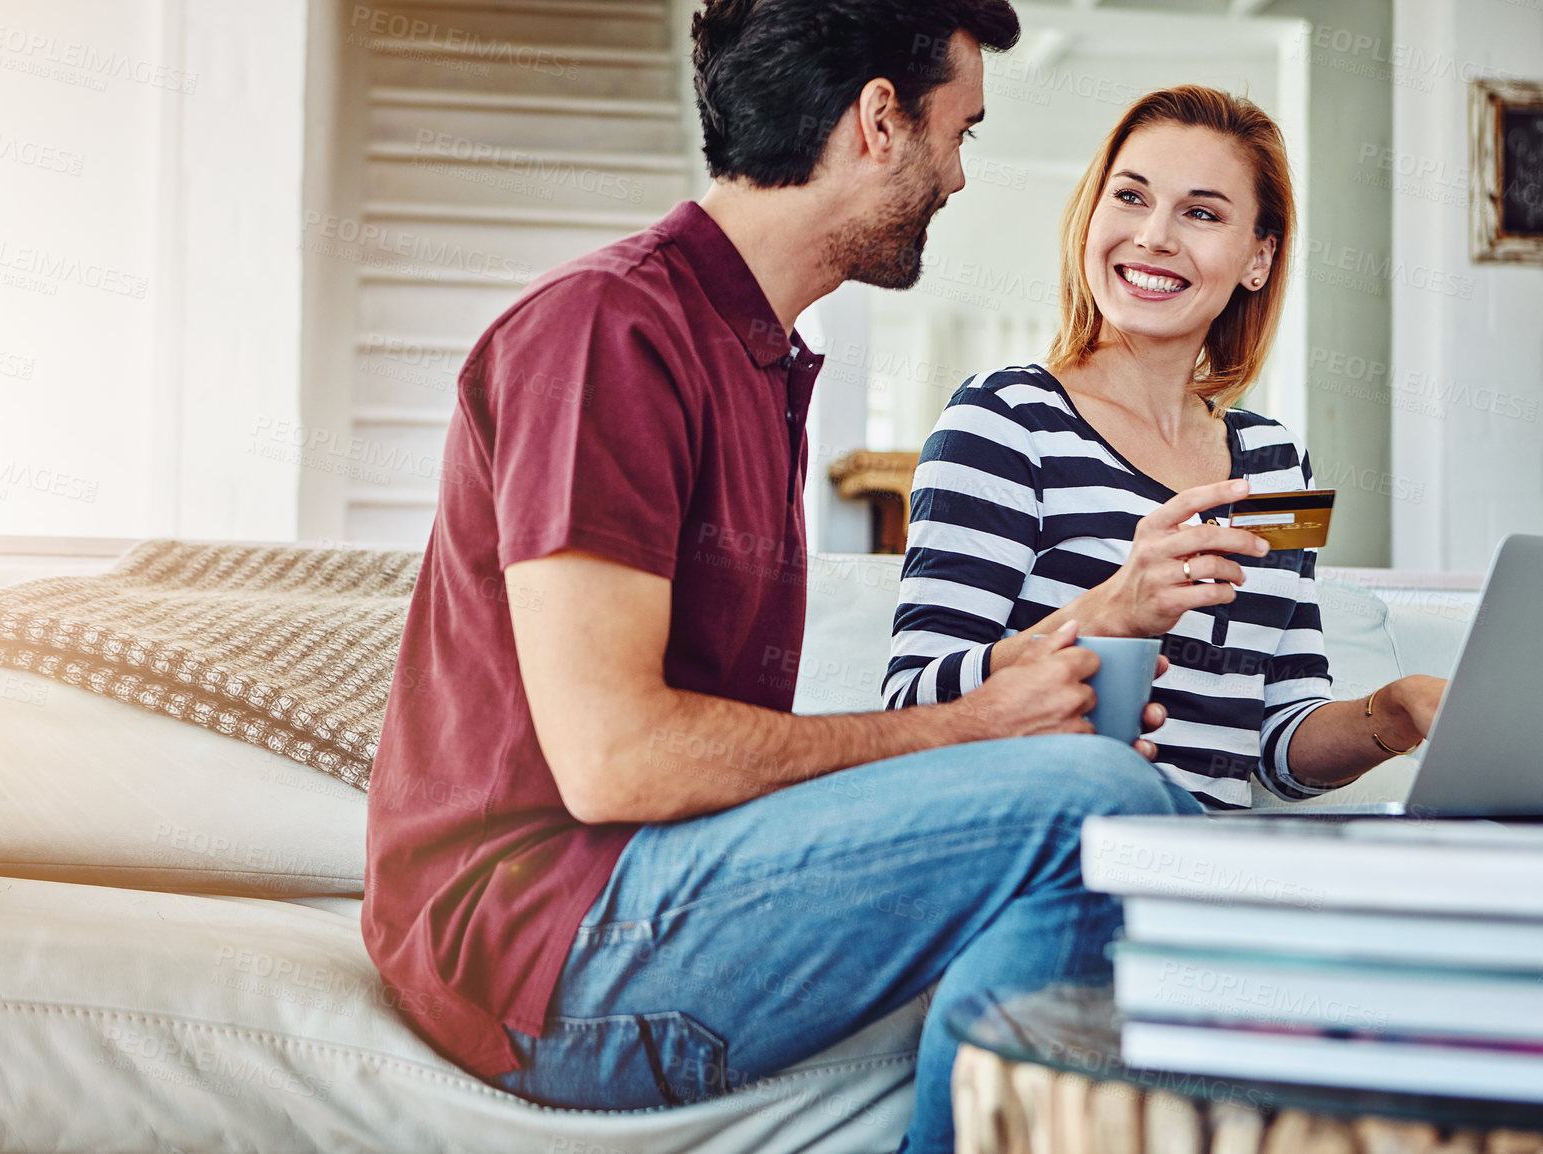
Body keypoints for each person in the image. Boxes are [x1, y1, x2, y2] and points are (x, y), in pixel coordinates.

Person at [362, 3, 1209, 1151]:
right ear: (878, 122)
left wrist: (1001, 710)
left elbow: (705, 761)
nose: (959, 177)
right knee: (1102, 810)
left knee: (1109, 805)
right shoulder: (610, 330)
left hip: (650, 886)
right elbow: (619, 757)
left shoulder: (754, 357)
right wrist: (967, 726)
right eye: (959, 130)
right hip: (544, 946)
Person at [886, 85, 1447, 810]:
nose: (1152, 235)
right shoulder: (1003, 419)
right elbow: (911, 707)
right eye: (1129, 197)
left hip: (1207, 869)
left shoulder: (1276, 465)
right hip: (1058, 845)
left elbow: (1274, 741)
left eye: (1201, 213)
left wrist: (1396, 713)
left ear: (1258, 258)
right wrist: (1114, 608)